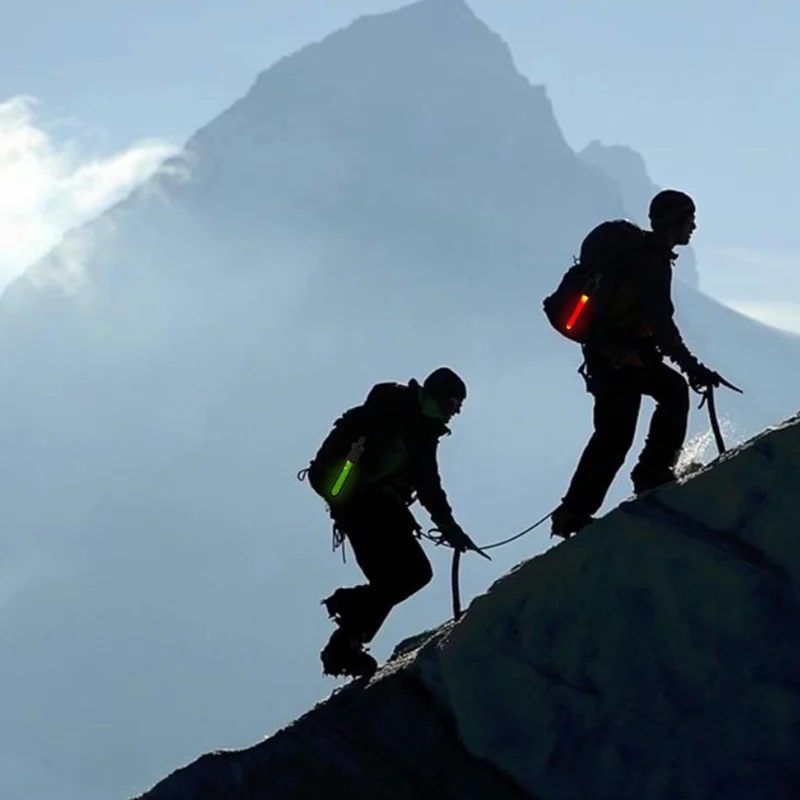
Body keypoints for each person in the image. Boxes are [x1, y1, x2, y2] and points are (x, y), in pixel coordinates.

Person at [551, 189, 722, 539]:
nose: (693, 226)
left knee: (635, 418)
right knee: (620, 431)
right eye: (689, 219)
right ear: (675, 223)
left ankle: (585, 506)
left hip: (613, 355)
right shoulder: (651, 262)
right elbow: (662, 324)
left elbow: (654, 325)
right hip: (619, 357)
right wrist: (692, 367)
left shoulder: (643, 257)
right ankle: (593, 502)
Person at [303, 366, 475, 679]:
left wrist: (449, 527)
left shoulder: (416, 425)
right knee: (412, 574)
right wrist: (449, 527)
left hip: (361, 506)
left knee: (398, 579)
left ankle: (345, 643)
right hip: (363, 504)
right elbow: (427, 485)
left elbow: (428, 485)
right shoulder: (402, 417)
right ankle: (346, 630)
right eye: (454, 404)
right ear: (439, 396)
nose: (456, 412)